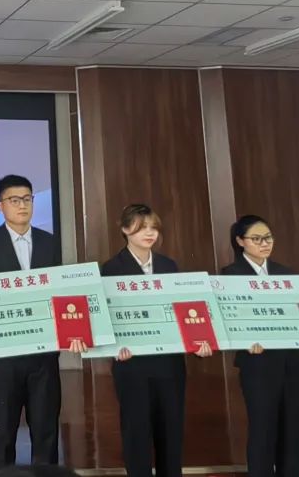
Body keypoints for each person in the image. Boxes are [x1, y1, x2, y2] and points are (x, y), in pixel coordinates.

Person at [223, 215, 299, 477]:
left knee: (293, 428)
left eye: (268, 237)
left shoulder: (285, 273)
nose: (265, 243)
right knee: (263, 428)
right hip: (258, 363)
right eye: (256, 238)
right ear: (240, 241)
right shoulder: (229, 275)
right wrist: (244, 341)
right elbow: (229, 319)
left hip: (293, 361)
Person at [100, 204, 211, 477]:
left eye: (154, 227)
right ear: (125, 229)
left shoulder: (168, 265)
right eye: (142, 227)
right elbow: (106, 316)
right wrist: (114, 348)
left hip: (169, 364)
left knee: (171, 431)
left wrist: (199, 340)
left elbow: (183, 310)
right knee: (136, 431)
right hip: (132, 364)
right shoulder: (112, 268)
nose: (150, 233)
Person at [0, 175, 64, 472]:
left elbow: (60, 294)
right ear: (0, 206)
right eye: (14, 200)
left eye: (27, 199)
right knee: (2, 434)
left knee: (46, 431)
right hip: (2, 356)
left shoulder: (50, 242)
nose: (22, 205)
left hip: (43, 354)